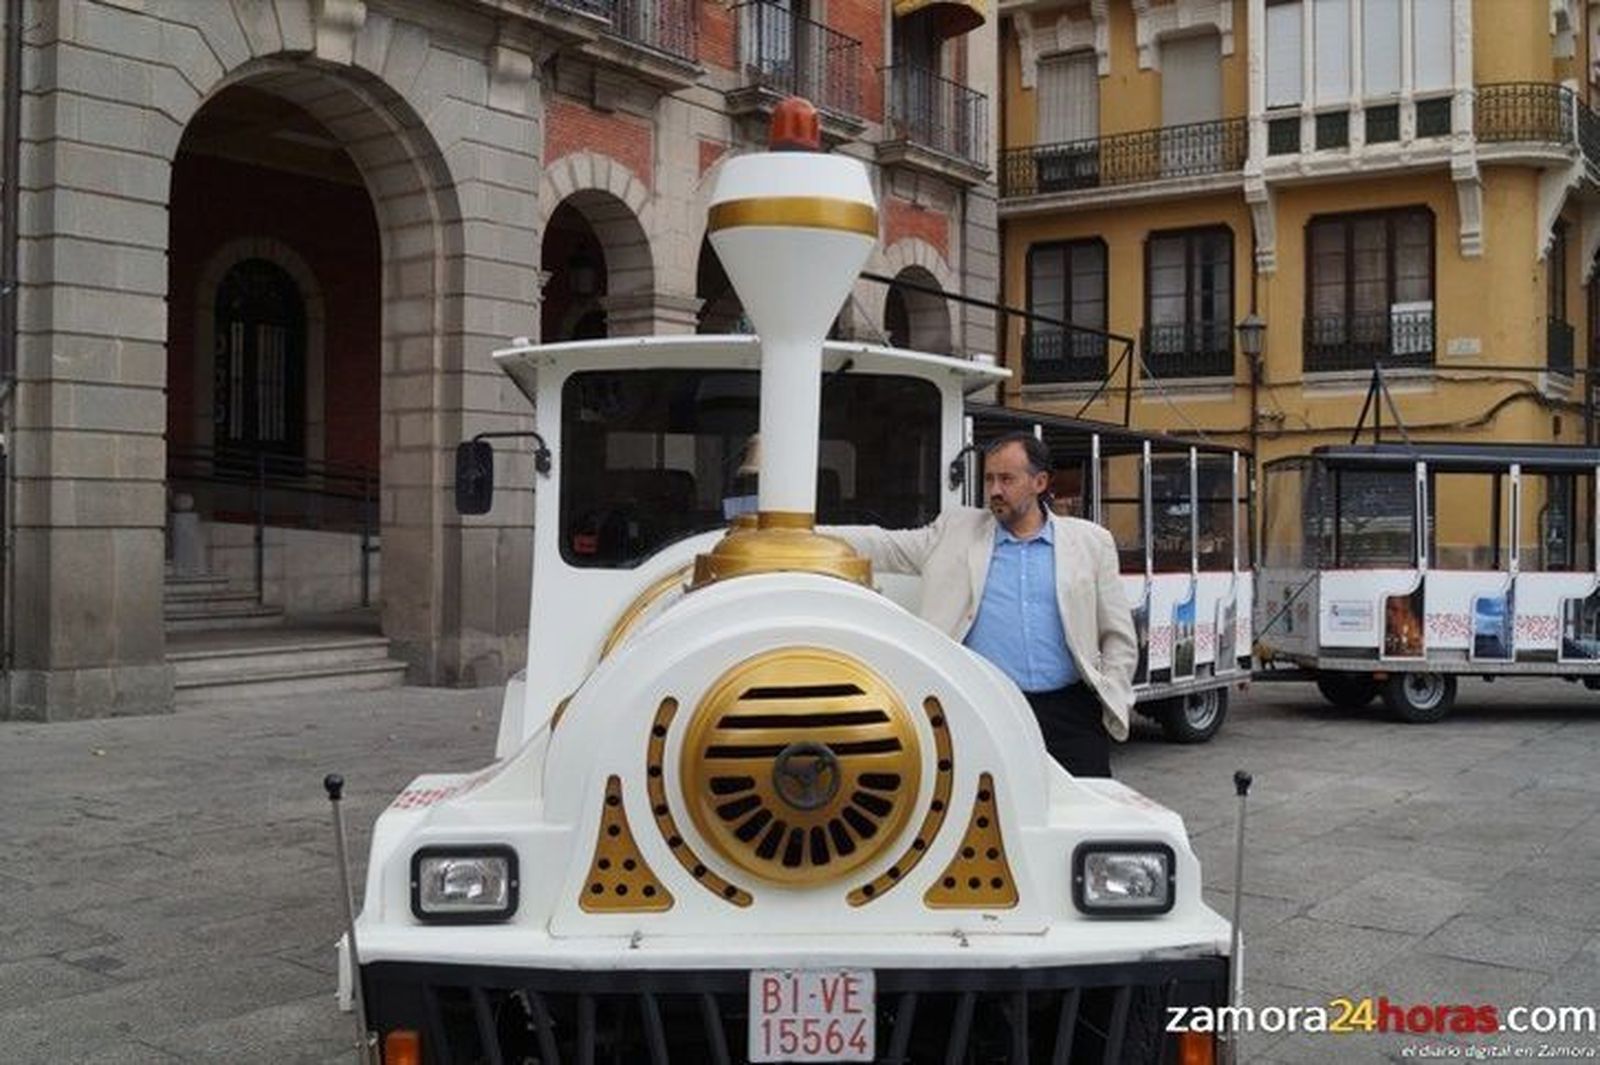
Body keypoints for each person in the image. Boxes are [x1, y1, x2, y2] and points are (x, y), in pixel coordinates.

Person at [828, 431, 1137, 776]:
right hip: (983, 710)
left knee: (1086, 817)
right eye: (989, 478)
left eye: (1006, 479)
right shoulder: (955, 532)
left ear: (1039, 481)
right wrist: (801, 534)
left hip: (1070, 712)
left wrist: (1113, 694)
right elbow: (885, 545)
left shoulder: (1091, 542)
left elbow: (1118, 633)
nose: (994, 490)